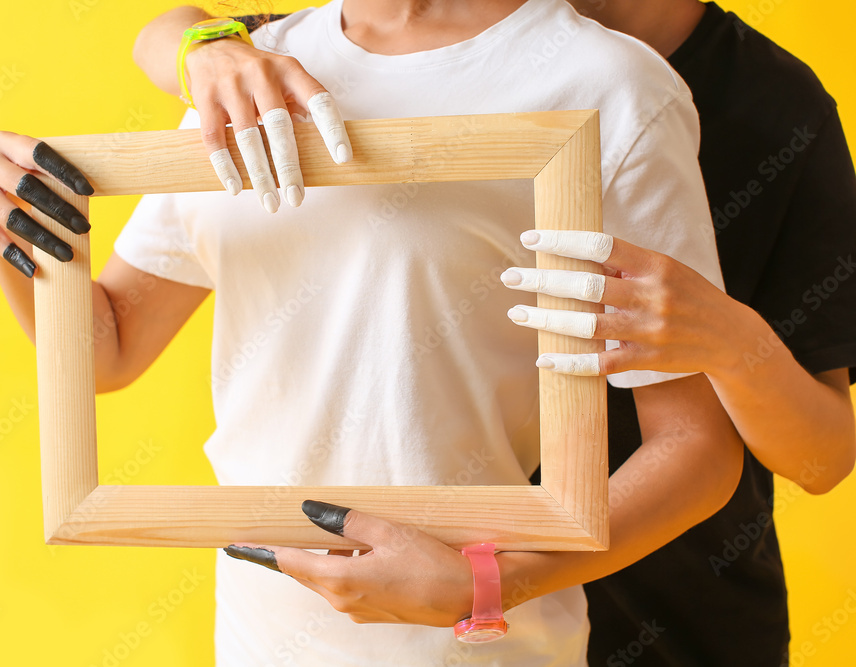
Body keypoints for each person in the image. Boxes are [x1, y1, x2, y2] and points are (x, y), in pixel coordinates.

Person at [0, 0, 750, 664]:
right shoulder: (244, 69)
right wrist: (18, 233)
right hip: (258, 635)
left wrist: (489, 581)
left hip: (472, 648)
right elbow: (111, 344)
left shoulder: (607, 84)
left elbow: (695, 443)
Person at [133, 1, 856, 664]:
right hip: (343, 614)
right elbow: (194, 39)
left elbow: (812, 453)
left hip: (662, 603)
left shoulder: (702, 95)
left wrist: (731, 340)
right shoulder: (326, 54)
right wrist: (194, 43)